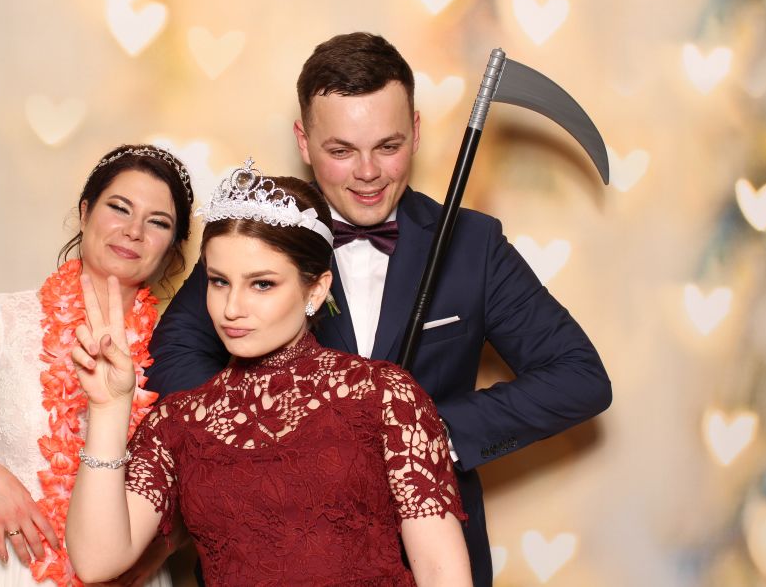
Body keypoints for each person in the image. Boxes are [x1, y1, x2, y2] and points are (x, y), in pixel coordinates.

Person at [145, 32, 613, 585]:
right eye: (341, 151)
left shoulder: (473, 245)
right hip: (277, 555)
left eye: (388, 146)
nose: (367, 172)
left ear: (416, 132)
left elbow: (578, 378)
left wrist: (421, 433)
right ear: (303, 141)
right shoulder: (262, 238)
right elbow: (170, 357)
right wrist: (267, 437)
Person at [65, 165, 471, 586]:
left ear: (316, 289)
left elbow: (441, 571)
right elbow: (96, 562)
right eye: (219, 282)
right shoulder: (178, 422)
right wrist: (108, 410)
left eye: (261, 284)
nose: (231, 308)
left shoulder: (384, 396)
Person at [0, 144, 194, 587]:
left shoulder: (173, 355)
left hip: (123, 575)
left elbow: (200, 490)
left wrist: (159, 550)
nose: (134, 231)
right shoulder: (5, 319)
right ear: (85, 212)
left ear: (172, 247)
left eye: (158, 222)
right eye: (119, 208)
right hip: (5, 564)